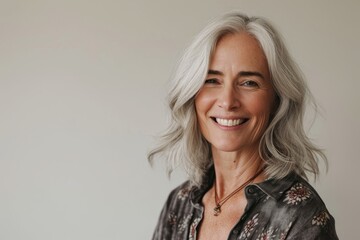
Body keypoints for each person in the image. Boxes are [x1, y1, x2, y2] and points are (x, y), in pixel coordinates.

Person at [148, 12, 338, 240]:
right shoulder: (179, 205)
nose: (228, 101)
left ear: (276, 99)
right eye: (212, 81)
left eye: (249, 83)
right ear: (192, 95)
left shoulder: (302, 217)